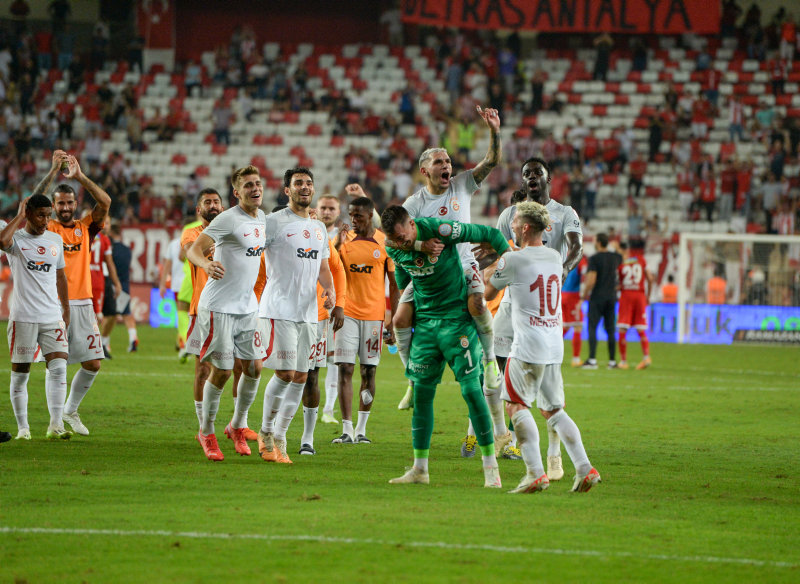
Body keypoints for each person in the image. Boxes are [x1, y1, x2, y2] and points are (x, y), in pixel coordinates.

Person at [394, 106, 503, 447]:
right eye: (440, 162)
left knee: (477, 302)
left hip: (464, 263)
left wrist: (494, 131)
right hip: (429, 274)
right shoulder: (413, 203)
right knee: (399, 319)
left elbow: (491, 163)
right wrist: (420, 248)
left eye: (448, 162)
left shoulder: (461, 186)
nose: (447, 167)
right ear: (425, 169)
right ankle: (412, 377)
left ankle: (489, 360)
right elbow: (397, 239)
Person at [381, 205, 510, 488]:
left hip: (456, 320)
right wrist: (416, 245)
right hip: (427, 324)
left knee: (472, 391)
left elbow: (486, 232)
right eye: (397, 240)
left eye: (404, 236)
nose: (400, 243)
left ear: (413, 224)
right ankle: (419, 469)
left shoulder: (442, 229)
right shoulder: (393, 245)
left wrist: (509, 259)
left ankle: (491, 469)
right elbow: (403, 276)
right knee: (423, 396)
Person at [485, 201, 601, 493]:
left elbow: (487, 291)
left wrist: (483, 266)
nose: (510, 226)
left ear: (525, 227)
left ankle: (535, 472)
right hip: (553, 344)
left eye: (515, 222)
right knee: (554, 411)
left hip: (526, 346)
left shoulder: (513, 260)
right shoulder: (553, 256)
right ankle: (585, 468)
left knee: (515, 406)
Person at [490, 157, 583, 479]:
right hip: (512, 306)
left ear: (548, 179)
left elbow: (577, 247)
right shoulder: (508, 215)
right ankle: (506, 433)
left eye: (537, 173)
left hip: (541, 311)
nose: (531, 177)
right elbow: (498, 247)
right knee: (496, 369)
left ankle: (552, 455)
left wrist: (559, 270)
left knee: (543, 392)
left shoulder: (564, 213)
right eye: (526, 172)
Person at [185, 167, 267, 461]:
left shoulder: (262, 220)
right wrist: (205, 266)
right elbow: (194, 250)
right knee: (220, 371)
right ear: (237, 192)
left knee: (254, 368)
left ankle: (236, 425)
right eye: (248, 185)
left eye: (257, 184)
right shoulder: (227, 219)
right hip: (219, 308)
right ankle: (206, 431)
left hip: (247, 308)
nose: (255, 189)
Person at [256, 167, 336, 465]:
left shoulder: (318, 228)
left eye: (309, 183)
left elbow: (324, 267)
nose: (305, 186)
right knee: (285, 373)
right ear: (287, 190)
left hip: (309, 314)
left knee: (302, 376)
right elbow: (252, 252)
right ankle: (265, 432)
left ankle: (280, 436)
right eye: (298, 183)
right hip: (278, 310)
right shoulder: (273, 222)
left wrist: (330, 291)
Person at [44, 150, 110, 436]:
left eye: (70, 202)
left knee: (93, 363)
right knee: (56, 364)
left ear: (75, 203)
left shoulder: (86, 228)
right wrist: (51, 172)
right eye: (61, 203)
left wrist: (80, 176)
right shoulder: (47, 228)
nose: (66, 207)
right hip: (53, 304)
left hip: (83, 303)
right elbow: (29, 206)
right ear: (53, 206)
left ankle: (70, 411)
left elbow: (105, 202)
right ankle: (56, 422)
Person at [1, 195, 72, 440]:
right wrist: (19, 215)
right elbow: (1, 240)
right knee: (21, 373)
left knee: (59, 368)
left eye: (48, 215)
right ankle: (23, 429)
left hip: (52, 315)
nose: (45, 221)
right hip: (24, 317)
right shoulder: (16, 239)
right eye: (40, 215)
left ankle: (55, 425)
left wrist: (66, 309)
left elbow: (60, 275)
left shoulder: (55, 239)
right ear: (29, 214)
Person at [332, 195, 399, 444]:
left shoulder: (385, 243)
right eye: (351, 215)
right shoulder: (344, 240)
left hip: (374, 316)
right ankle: (347, 429)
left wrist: (393, 317)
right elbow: (334, 271)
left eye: (358, 215)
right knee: (345, 368)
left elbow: (393, 283)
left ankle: (361, 429)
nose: (353, 220)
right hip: (347, 313)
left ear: (370, 215)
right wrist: (338, 245)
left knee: (368, 371)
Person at [315, 194, 343, 424]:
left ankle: (328, 410)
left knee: (334, 357)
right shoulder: (311, 232)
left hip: (334, 306)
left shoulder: (347, 237)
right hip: (309, 305)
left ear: (338, 212)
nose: (326, 212)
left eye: (331, 208)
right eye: (323, 207)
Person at [581, 233, 622, 369]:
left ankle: (592, 360)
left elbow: (591, 279)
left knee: (592, 327)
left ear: (598, 242)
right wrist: (616, 247)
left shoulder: (594, 259)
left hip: (597, 297)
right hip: (612, 297)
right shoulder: (615, 257)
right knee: (611, 329)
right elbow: (624, 257)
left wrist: (584, 294)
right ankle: (612, 361)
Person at [99, 223, 138, 356]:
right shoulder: (127, 250)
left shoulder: (110, 248)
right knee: (126, 314)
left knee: (109, 314)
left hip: (111, 285)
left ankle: (105, 342)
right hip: (124, 285)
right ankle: (133, 338)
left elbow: (108, 267)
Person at [616, 240, 654, 370]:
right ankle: (646, 357)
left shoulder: (620, 263)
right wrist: (648, 295)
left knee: (622, 329)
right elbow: (650, 278)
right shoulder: (641, 260)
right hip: (640, 296)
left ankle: (623, 361)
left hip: (626, 296)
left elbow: (617, 284)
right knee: (641, 328)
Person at [160, 230, 188, 355]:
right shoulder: (198, 240)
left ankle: (183, 342)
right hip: (191, 283)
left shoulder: (173, 244)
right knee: (189, 315)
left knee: (182, 314)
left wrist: (163, 284)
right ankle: (183, 342)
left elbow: (167, 265)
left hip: (177, 284)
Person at [562, 257, 588, 367]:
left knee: (566, 326)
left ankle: (549, 352)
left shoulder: (564, 257)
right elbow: (585, 277)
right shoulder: (580, 260)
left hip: (562, 294)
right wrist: (583, 297)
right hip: (572, 296)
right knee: (577, 326)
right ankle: (576, 359)